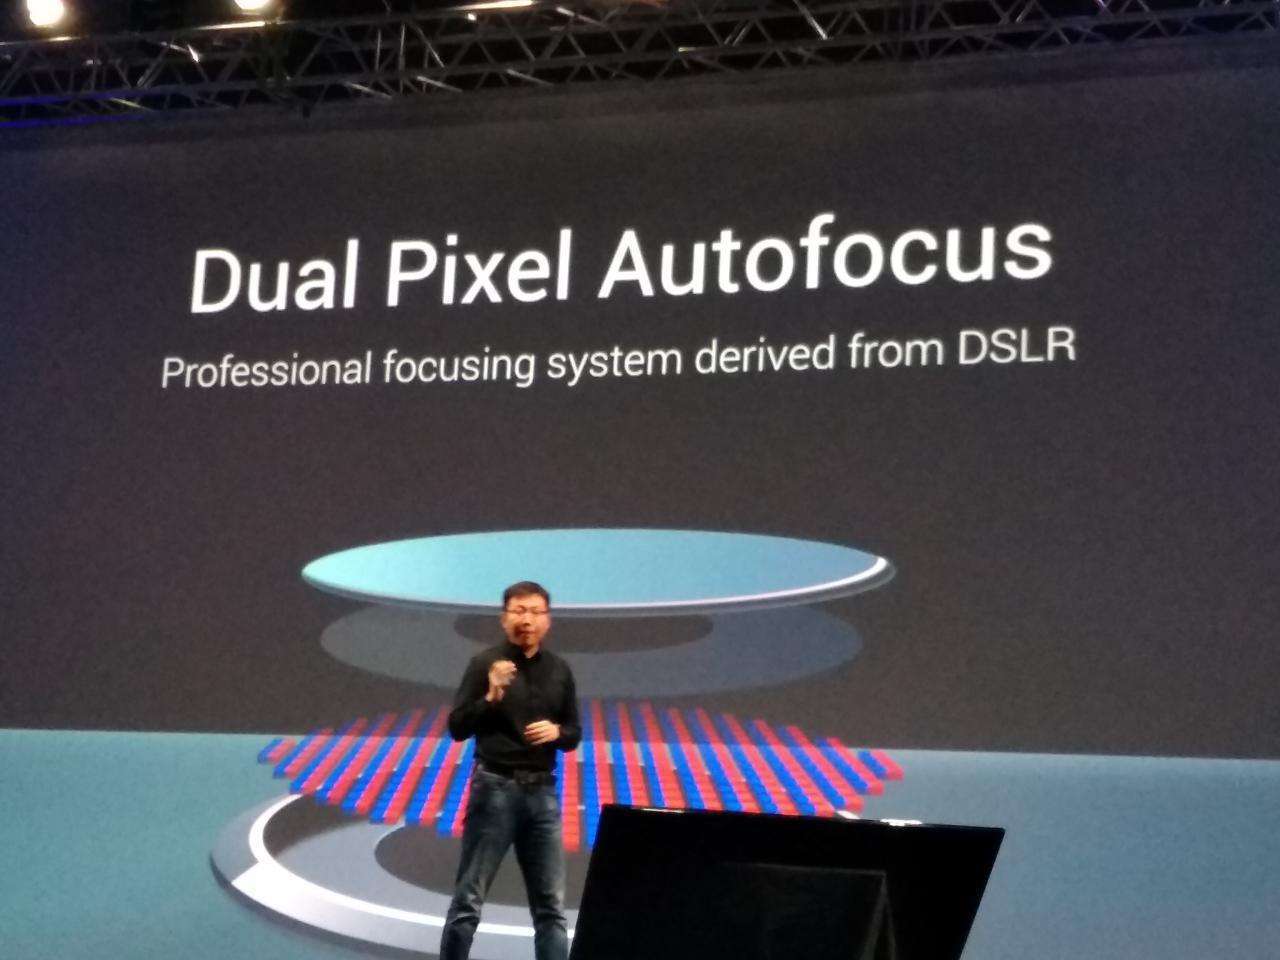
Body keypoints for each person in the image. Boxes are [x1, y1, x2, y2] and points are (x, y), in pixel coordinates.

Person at [439, 581, 581, 960]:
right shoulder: (484, 664)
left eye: (535, 612)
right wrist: (491, 696)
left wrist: (558, 732)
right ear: (504, 619)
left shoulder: (560, 670)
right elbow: (457, 727)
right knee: (468, 901)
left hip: (543, 795)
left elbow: (574, 733)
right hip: (494, 789)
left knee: (551, 910)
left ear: (547, 620)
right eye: (518, 611)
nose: (527, 620)